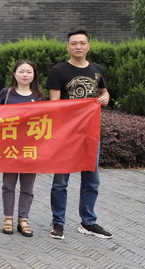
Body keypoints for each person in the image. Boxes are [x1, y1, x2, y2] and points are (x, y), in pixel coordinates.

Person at [47, 30, 112, 240]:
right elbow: (54, 105)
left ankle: (88, 222)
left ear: (88, 46)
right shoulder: (58, 71)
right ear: (68, 46)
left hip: (90, 134)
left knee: (91, 180)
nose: (78, 47)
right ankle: (58, 222)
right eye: (74, 43)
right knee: (60, 181)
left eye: (82, 43)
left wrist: (106, 97)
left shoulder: (97, 69)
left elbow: (103, 92)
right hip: (66, 134)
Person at [0, 60, 45, 238]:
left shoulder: (40, 96)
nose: (25, 75)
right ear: (14, 74)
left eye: (29, 72)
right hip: (10, 147)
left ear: (34, 75)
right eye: (21, 71)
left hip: (31, 148)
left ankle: (23, 219)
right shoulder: (6, 93)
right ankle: (8, 218)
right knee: (8, 185)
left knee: (28, 186)